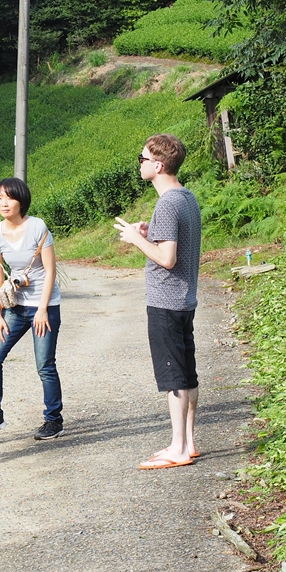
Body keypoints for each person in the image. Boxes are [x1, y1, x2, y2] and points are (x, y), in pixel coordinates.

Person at [113, 134, 202, 470]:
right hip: (184, 299)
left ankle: (178, 448)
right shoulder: (186, 197)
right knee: (187, 374)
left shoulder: (166, 203)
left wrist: (136, 239)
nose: (140, 164)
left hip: (166, 301)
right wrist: (150, 231)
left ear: (159, 165)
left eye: (143, 159)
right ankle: (188, 443)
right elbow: (176, 239)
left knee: (174, 377)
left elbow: (167, 258)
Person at [0, 177, 65, 441]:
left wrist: (42, 309)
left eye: (9, 198)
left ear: (21, 200)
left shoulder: (37, 227)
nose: (3, 203)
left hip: (44, 306)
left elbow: (50, 271)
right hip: (15, 307)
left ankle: (54, 420)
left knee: (44, 365)